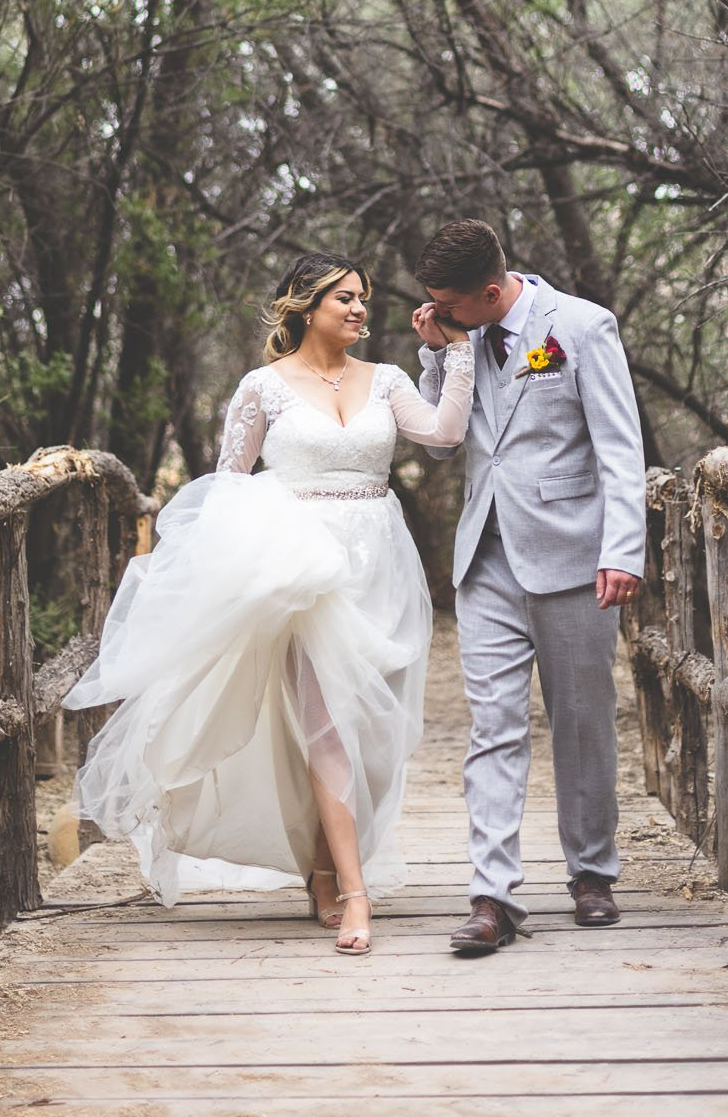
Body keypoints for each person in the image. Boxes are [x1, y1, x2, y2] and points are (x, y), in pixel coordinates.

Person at [64, 252, 473, 957]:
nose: (358, 310)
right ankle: (355, 893)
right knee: (329, 729)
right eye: (344, 297)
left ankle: (322, 865)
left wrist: (457, 354)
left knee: (372, 735)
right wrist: (239, 569)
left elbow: (444, 433)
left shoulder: (389, 380)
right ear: (304, 304)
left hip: (381, 560)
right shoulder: (263, 388)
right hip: (300, 568)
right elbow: (230, 484)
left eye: (363, 299)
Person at [411, 219, 645, 954]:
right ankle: (492, 896)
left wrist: (624, 551)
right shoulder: (460, 338)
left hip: (574, 555)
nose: (440, 314)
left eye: (449, 305)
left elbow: (619, 446)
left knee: (581, 721)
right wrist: (434, 353)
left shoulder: (580, 325)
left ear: (489, 291)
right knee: (494, 726)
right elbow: (440, 437)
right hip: (486, 556)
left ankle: (591, 874)